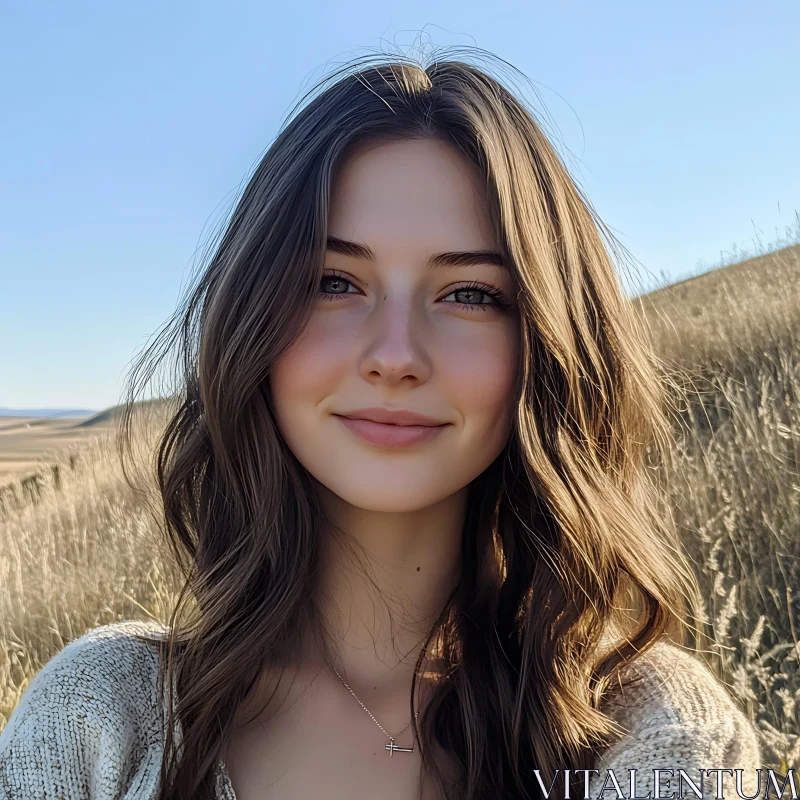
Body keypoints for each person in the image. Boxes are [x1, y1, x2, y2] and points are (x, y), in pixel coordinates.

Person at [0, 47, 763, 800]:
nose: (395, 356)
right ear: (251, 322)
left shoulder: (652, 731)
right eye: (333, 283)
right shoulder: (102, 716)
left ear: (546, 345)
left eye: (469, 293)